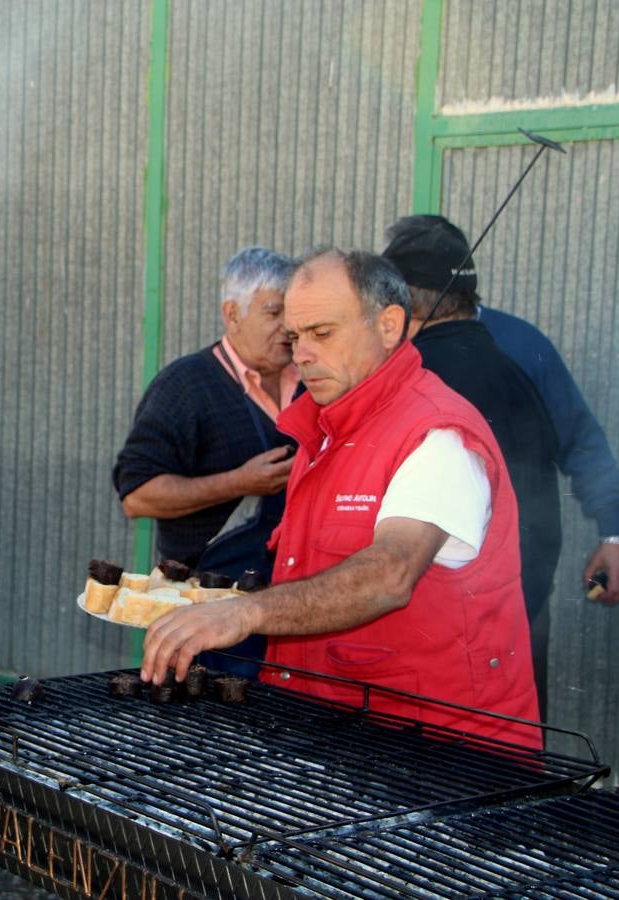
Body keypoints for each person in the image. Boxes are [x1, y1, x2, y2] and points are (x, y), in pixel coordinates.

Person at [141, 249, 540, 747]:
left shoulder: (436, 436)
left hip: (440, 753)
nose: (301, 353)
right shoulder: (325, 429)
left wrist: (246, 613)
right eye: (295, 336)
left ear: (389, 325)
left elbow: (390, 573)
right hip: (334, 736)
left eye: (322, 334)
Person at [381, 214, 562, 717]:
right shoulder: (513, 370)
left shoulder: (418, 382)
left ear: (405, 305)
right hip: (519, 628)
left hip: (449, 658)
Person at [113, 247, 299, 674]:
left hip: (287, 608)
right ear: (232, 314)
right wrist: (240, 482)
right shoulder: (185, 385)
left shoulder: (313, 382)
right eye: (274, 312)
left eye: (294, 314)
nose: (289, 328)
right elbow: (137, 496)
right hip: (204, 614)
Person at [477, 304, 619, 605]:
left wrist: (614, 534)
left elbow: (578, 438)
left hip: (518, 574)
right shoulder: (385, 344)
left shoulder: (520, 343)